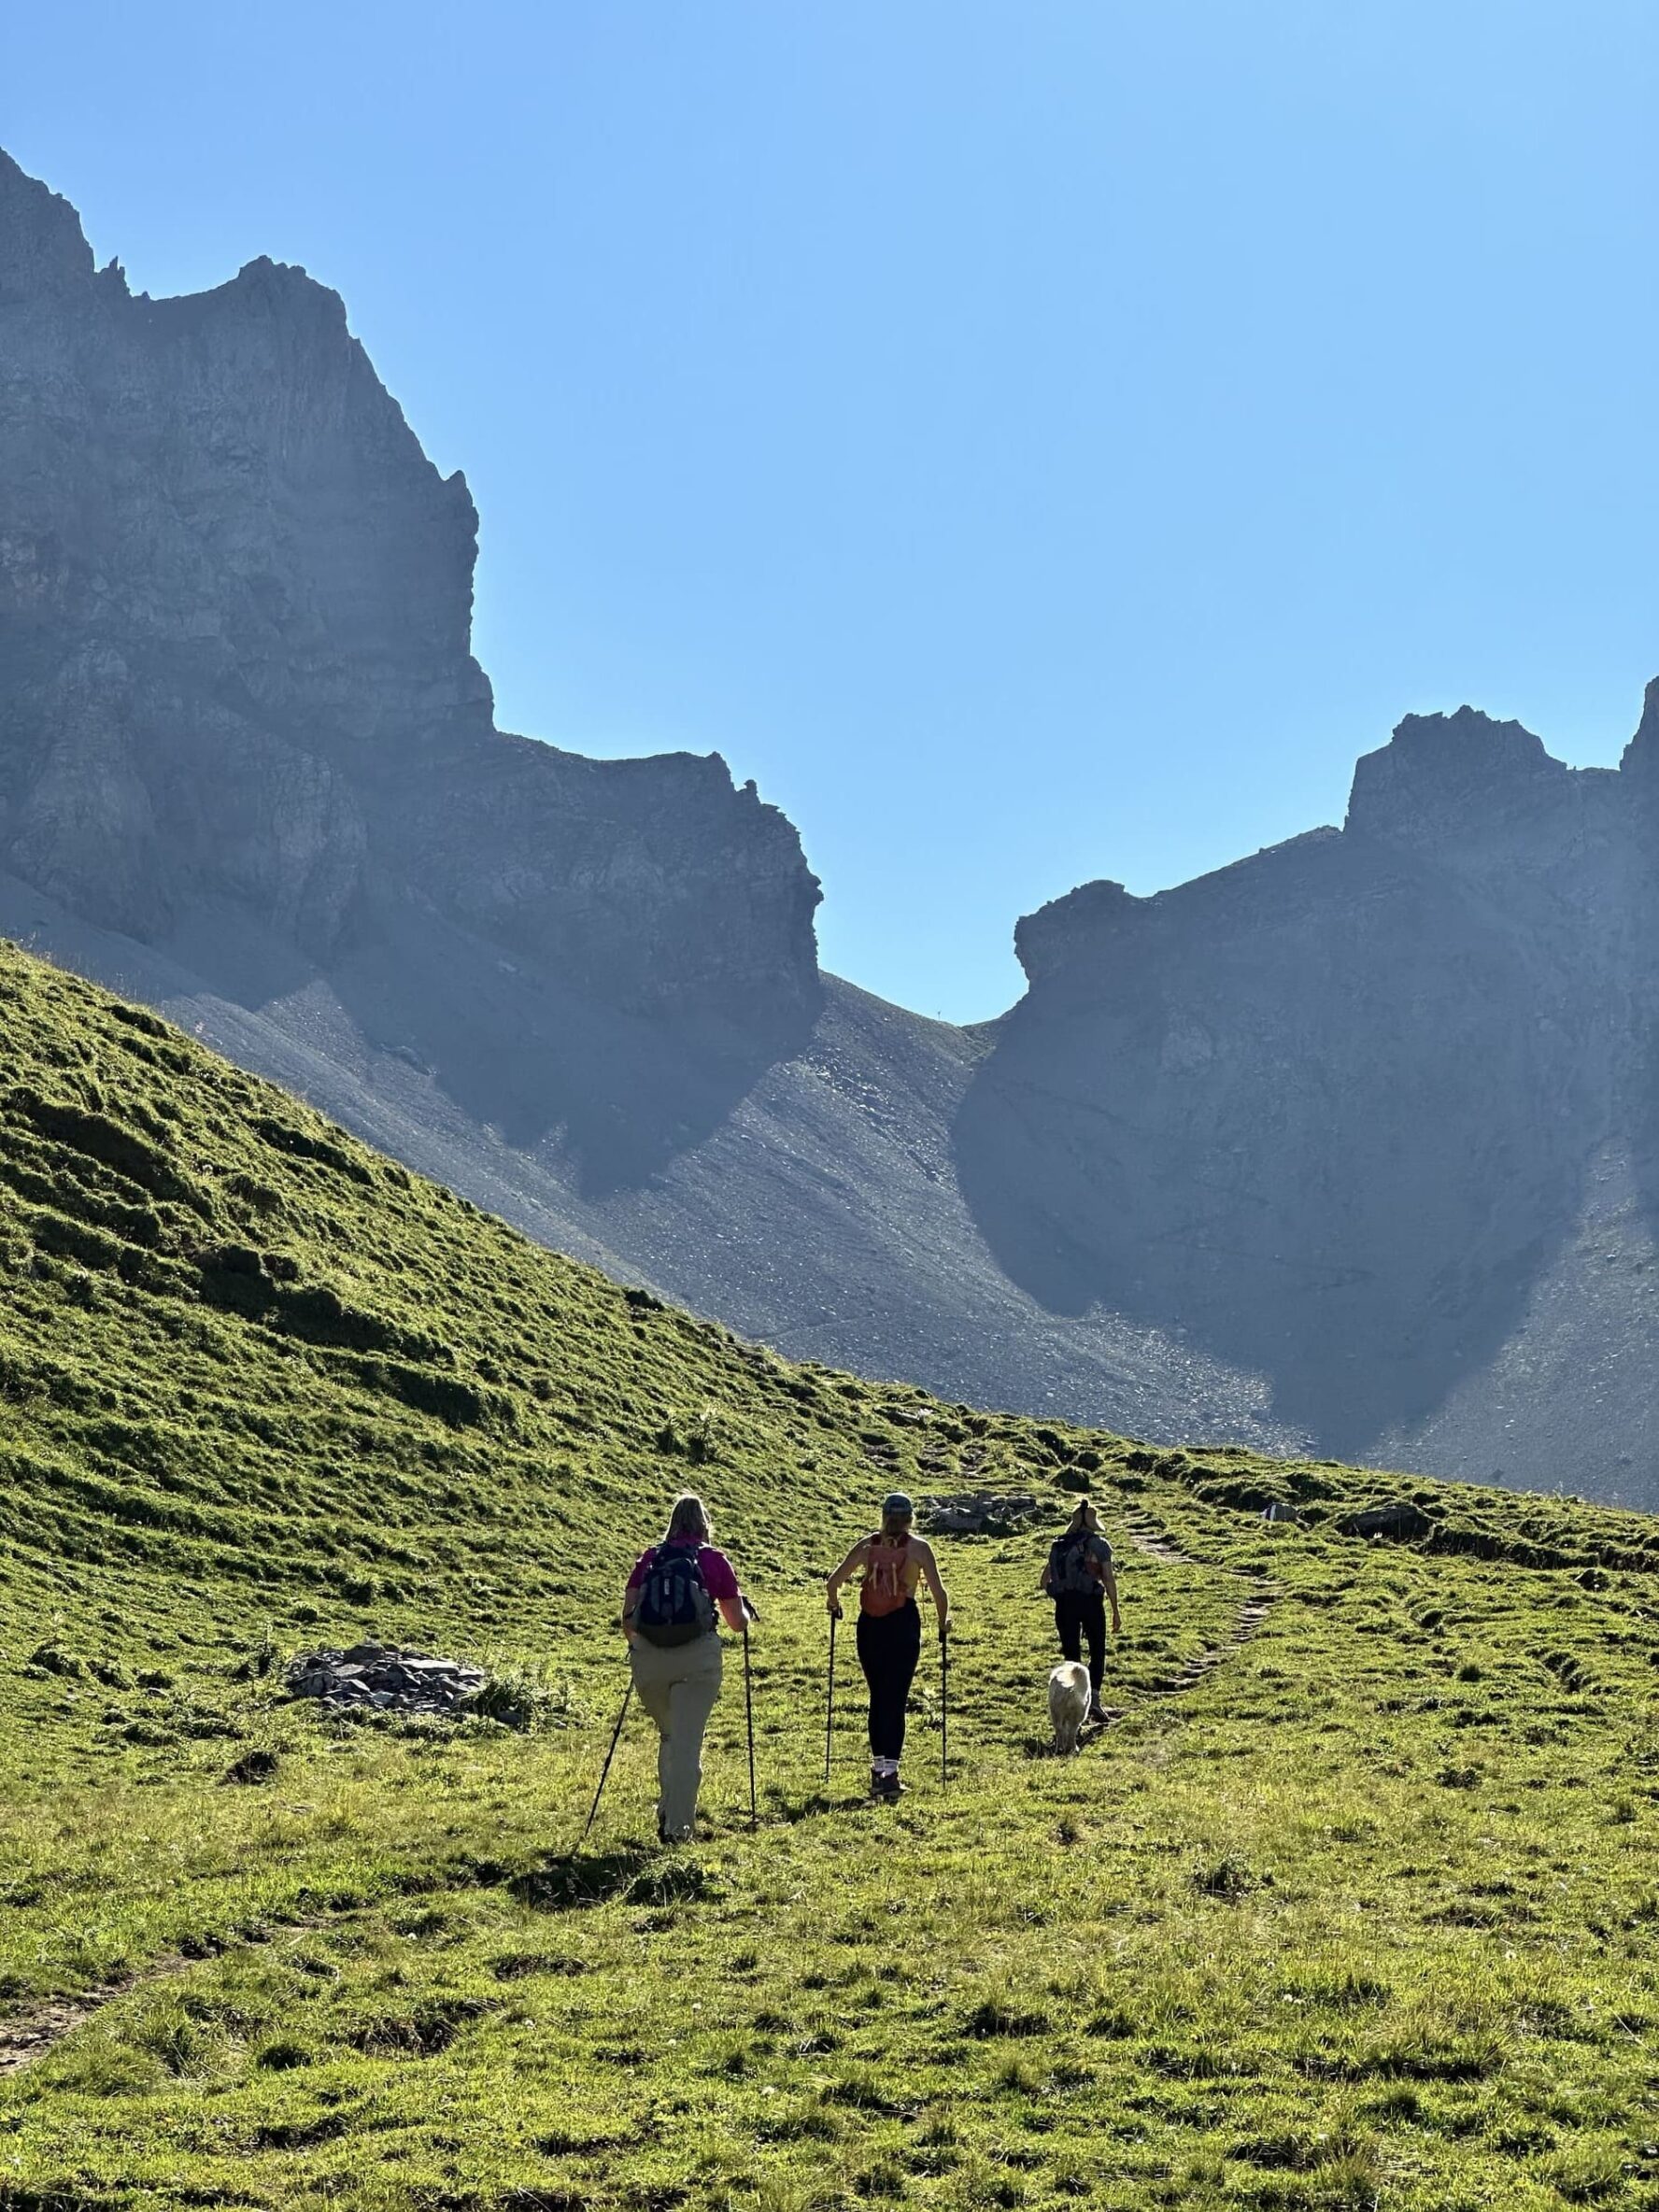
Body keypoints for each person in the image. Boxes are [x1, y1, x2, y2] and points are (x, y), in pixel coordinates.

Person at [622, 1493, 753, 1843]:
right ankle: (678, 1830)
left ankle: (668, 1809)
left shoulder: (650, 1559)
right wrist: (744, 1608)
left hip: (649, 1662)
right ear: (704, 1524)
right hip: (697, 1661)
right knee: (686, 1744)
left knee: (670, 1735)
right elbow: (736, 1623)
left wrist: (647, 1648)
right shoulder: (712, 1559)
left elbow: (628, 1620)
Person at [826, 1491, 950, 1801]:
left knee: (878, 1696)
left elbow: (833, 1581)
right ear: (910, 1519)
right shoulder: (919, 1548)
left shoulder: (867, 1546)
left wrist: (834, 1604)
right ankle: (890, 1776)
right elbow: (939, 1593)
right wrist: (943, 1623)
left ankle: (878, 1769)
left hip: (870, 1626)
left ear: (883, 1517)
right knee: (896, 1699)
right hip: (902, 1625)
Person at [1040, 1500, 1120, 1725]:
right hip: (1091, 1603)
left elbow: (1044, 1581)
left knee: (1071, 1657)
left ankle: (1072, 1703)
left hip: (1065, 1605)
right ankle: (1094, 1700)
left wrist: (1061, 1594)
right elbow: (1108, 1579)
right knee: (1097, 1651)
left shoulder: (1059, 1546)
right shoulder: (1099, 1545)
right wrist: (1115, 1610)